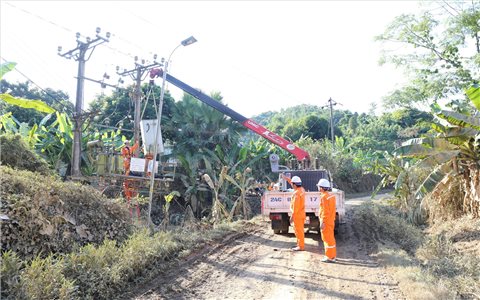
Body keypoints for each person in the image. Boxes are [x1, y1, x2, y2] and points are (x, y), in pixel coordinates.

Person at [282, 174, 306, 251]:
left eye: (292, 184)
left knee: (298, 231)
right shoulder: (302, 190)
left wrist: (292, 216)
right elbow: (293, 183)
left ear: (294, 185)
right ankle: (299, 244)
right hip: (301, 214)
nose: (291, 185)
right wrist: (287, 179)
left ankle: (301, 246)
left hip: (297, 215)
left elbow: (295, 207)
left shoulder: (296, 194)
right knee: (300, 230)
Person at [317, 178, 337, 263]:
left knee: (327, 239)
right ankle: (332, 255)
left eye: (319, 187)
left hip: (326, 221)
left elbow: (325, 211)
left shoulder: (324, 197)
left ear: (321, 188)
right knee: (330, 239)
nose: (318, 188)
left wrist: (323, 222)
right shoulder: (330, 196)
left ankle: (330, 257)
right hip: (331, 221)